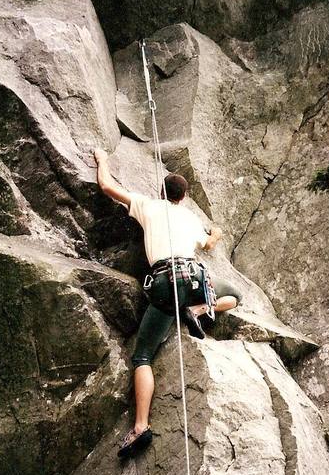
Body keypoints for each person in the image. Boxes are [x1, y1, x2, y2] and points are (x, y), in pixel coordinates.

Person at [94, 148, 241, 458]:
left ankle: (141, 426)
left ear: (160, 191)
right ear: (183, 197)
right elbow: (211, 242)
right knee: (234, 296)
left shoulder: (147, 205)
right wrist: (216, 231)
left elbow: (106, 187)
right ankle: (198, 309)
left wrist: (101, 159)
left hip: (164, 284)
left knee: (143, 356)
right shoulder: (189, 217)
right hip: (195, 279)